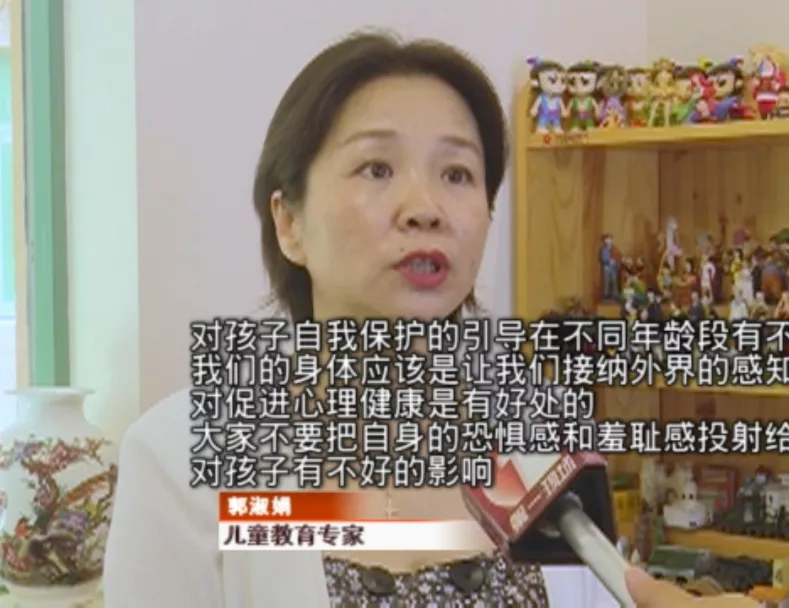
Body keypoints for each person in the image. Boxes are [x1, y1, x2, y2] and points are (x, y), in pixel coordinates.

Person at [102, 30, 755, 607]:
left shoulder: (540, 437)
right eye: (377, 168)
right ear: (289, 222)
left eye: (458, 174)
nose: (426, 208)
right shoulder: (179, 459)